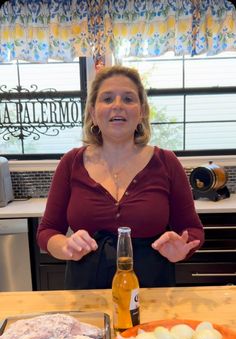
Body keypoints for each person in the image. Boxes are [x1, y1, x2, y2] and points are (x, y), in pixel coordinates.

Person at [37, 65, 204, 289]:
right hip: (87, 293)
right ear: (93, 112)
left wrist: (181, 250)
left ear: (142, 111)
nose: (117, 105)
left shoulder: (166, 162)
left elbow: (193, 230)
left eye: (128, 98)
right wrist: (65, 246)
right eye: (107, 99)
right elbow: (47, 232)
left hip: (151, 291)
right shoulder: (71, 163)